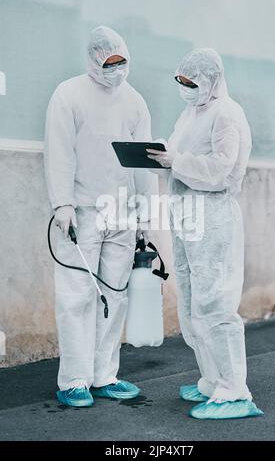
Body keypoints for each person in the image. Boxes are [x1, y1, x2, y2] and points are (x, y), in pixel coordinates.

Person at [44, 25, 158, 408]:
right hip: (81, 212)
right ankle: (74, 379)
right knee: (77, 296)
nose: (117, 68)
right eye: (109, 62)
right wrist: (62, 203)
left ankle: (103, 374)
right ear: (94, 60)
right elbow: (59, 152)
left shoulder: (135, 102)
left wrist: (146, 211)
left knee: (115, 294)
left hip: (122, 213)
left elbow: (144, 161)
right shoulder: (69, 94)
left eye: (121, 61)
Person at [147, 48, 263, 420]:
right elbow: (179, 154)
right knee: (192, 300)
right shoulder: (190, 113)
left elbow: (220, 169)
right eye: (181, 81)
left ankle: (234, 391)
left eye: (192, 82)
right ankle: (212, 379)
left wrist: (176, 161)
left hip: (212, 218)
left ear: (211, 80)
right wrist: (163, 157)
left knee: (215, 302)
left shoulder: (227, 113)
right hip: (186, 216)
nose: (185, 88)